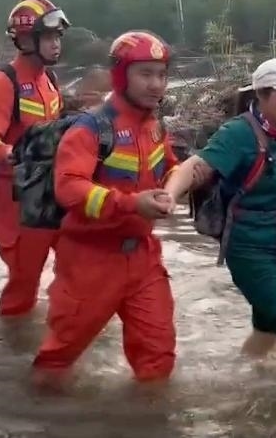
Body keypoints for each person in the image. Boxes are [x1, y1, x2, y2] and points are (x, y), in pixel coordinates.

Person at [32, 30, 178, 388]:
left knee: (158, 359)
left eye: (162, 74)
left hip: (143, 258)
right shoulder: (91, 129)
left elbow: (170, 168)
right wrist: (131, 203)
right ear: (121, 75)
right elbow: (69, 188)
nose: (156, 84)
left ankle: (150, 417)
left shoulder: (155, 127)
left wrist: (182, 183)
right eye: (145, 74)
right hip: (90, 262)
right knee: (57, 361)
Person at [164, 58, 276, 382]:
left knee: (268, 331)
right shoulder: (238, 133)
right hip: (251, 250)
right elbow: (195, 165)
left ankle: (236, 380)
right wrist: (170, 195)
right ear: (261, 94)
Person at [0, 0, 70, 318]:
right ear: (27, 40)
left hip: (54, 190)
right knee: (24, 282)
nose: (56, 44)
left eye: (58, 36)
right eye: (49, 37)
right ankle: (11, 340)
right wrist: (15, 154)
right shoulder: (2, 82)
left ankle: (64, 330)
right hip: (16, 198)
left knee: (77, 264)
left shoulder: (50, 80)